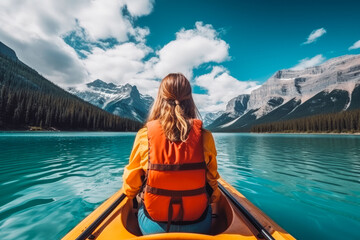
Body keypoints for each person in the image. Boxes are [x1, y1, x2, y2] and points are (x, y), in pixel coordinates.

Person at [122, 73, 220, 235]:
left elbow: (130, 186)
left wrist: (135, 195)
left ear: (160, 99)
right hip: (199, 225)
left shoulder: (144, 135)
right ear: (190, 100)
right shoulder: (205, 136)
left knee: (140, 199)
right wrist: (211, 199)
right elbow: (212, 184)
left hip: (152, 227)